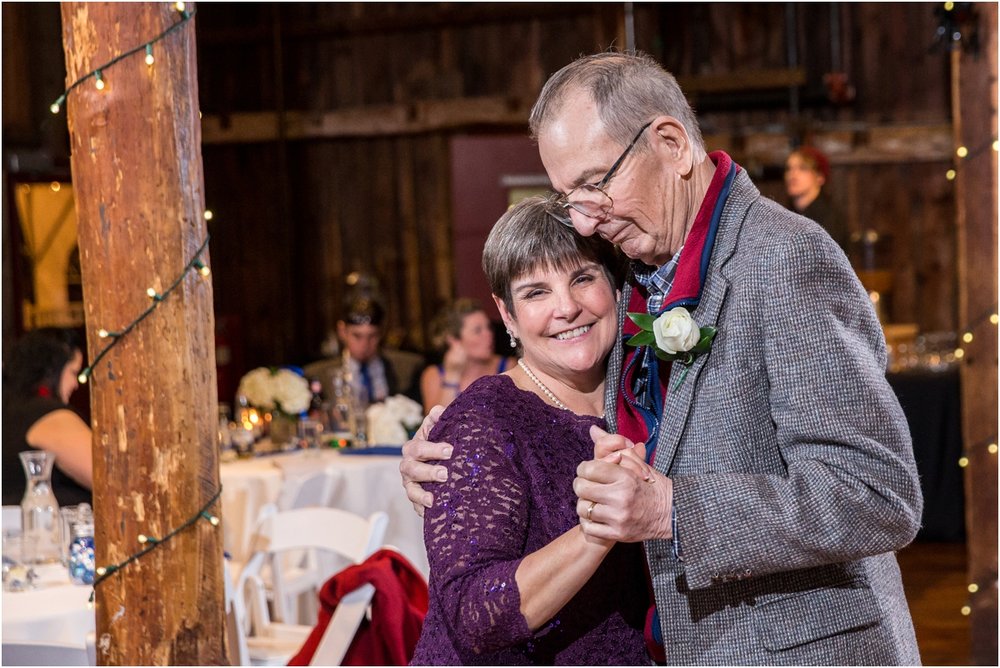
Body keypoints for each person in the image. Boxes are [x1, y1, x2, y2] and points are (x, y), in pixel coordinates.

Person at [401, 51, 922, 665]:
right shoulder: (633, 271)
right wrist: (454, 461)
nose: (582, 218)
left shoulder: (783, 260)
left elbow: (877, 493)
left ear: (672, 144)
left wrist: (674, 508)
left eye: (594, 184)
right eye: (568, 195)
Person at [410, 195, 650, 665]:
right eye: (536, 292)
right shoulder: (484, 418)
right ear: (507, 314)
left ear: (615, 286)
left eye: (583, 278)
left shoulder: (644, 392)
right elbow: (473, 614)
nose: (566, 308)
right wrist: (596, 530)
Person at [2, 328, 93, 506]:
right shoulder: (46, 415)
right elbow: (108, 478)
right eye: (73, 372)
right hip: (50, 530)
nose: (75, 384)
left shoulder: (10, 411)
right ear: (53, 370)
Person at [306, 297, 423, 407]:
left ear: (382, 332)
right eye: (357, 336)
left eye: (372, 336)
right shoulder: (318, 375)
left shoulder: (407, 369)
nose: (364, 344)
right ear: (342, 331)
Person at [419, 298, 517, 413]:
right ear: (454, 340)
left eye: (488, 327)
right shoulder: (434, 375)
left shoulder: (509, 367)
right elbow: (434, 427)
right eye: (477, 330)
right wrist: (452, 375)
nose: (489, 334)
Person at [784, 145, 848, 251]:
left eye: (803, 168)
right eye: (789, 169)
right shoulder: (785, 214)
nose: (792, 174)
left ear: (820, 177)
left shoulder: (830, 218)